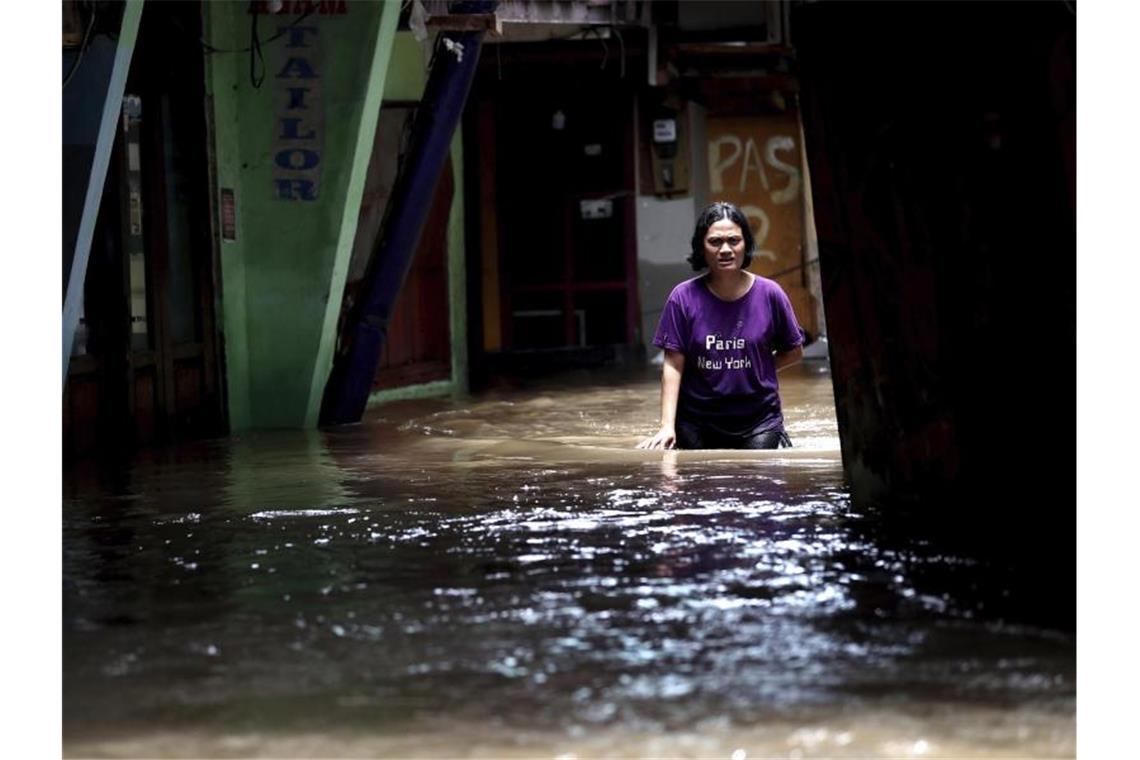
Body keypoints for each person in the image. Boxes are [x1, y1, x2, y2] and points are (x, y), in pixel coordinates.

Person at [637, 201, 804, 450]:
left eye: (733, 240)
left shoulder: (771, 294)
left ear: (745, 244)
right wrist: (666, 426)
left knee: (761, 480)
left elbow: (794, 351)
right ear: (701, 248)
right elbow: (672, 364)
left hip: (758, 421)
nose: (725, 249)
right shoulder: (682, 297)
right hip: (696, 422)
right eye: (715, 242)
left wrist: (757, 370)